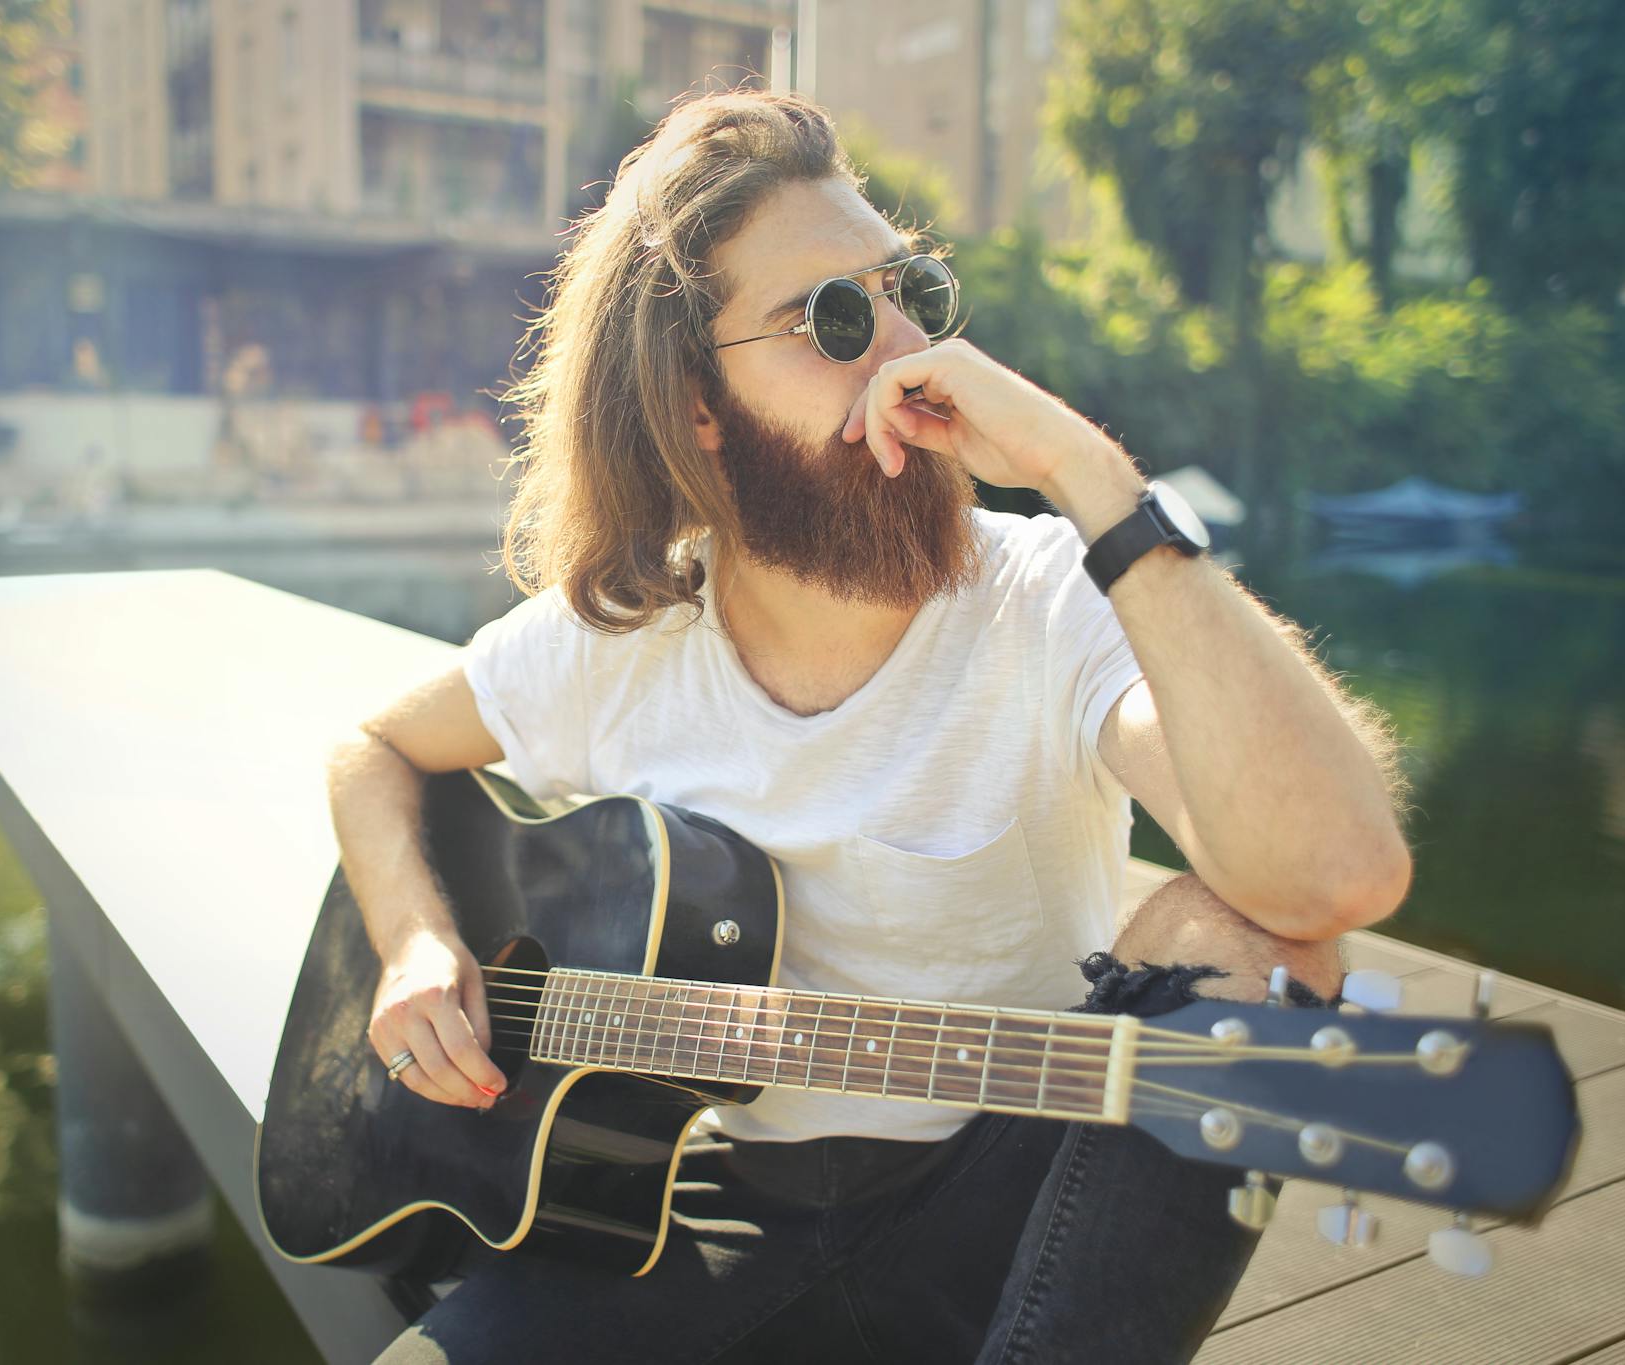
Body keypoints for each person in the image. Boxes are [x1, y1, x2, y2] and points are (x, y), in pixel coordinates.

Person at [325, 88, 1412, 1364]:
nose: (902, 354)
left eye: (913, 297)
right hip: (698, 1207)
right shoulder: (619, 641)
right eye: (829, 319)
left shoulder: (1047, 595)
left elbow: (1334, 876)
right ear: (689, 408)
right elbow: (375, 748)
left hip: (1015, 1199)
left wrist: (1090, 480)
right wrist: (411, 943)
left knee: (1235, 935)